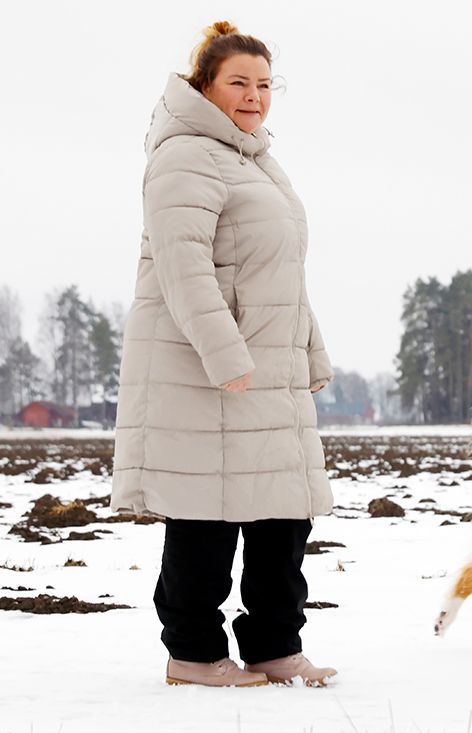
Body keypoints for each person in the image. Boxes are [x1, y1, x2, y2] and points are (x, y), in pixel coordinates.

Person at [112, 21, 337, 687]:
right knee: (204, 515)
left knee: (282, 516)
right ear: (204, 87)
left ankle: (274, 646)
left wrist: (310, 352)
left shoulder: (255, 160)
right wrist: (223, 353)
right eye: (238, 82)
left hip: (269, 371)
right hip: (204, 372)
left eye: (264, 84)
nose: (253, 96)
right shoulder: (183, 156)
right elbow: (185, 269)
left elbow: (280, 275)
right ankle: (193, 654)